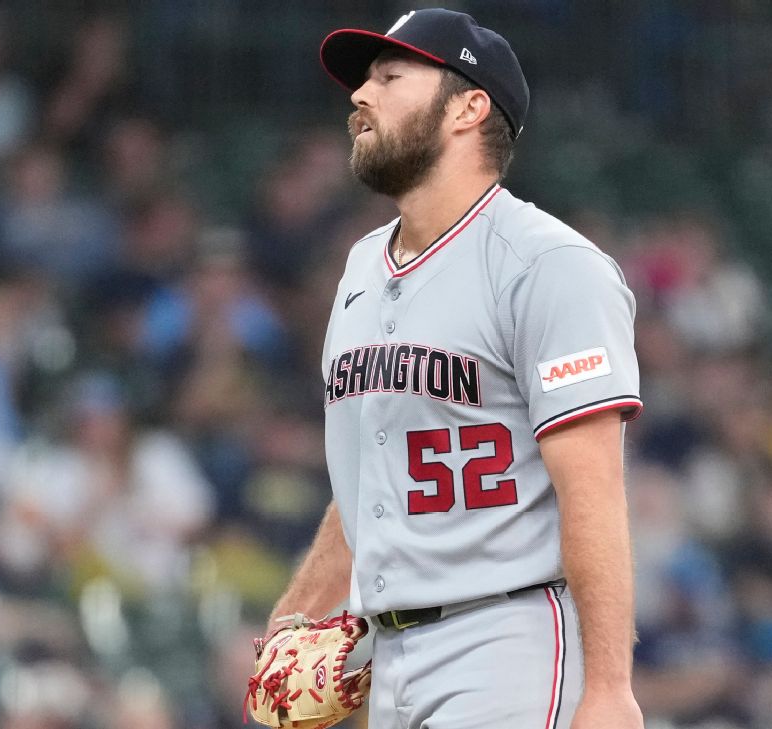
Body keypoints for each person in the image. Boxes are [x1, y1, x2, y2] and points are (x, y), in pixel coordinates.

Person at [260, 9, 644, 728]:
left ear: (469, 107)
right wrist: (295, 617)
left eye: (390, 76)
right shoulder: (358, 270)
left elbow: (592, 487)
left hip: (507, 642)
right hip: (388, 657)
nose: (360, 96)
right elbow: (366, 485)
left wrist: (610, 687)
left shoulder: (549, 266)